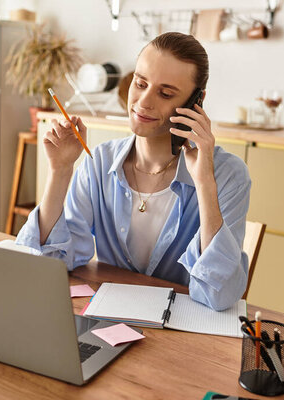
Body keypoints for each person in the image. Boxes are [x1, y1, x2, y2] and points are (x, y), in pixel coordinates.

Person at [16, 32, 251, 311]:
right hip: (111, 321)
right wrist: (60, 171)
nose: (143, 102)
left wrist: (204, 184)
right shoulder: (100, 163)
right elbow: (43, 263)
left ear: (195, 101)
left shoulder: (228, 175)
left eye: (165, 93)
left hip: (185, 338)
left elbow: (219, 295)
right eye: (140, 83)